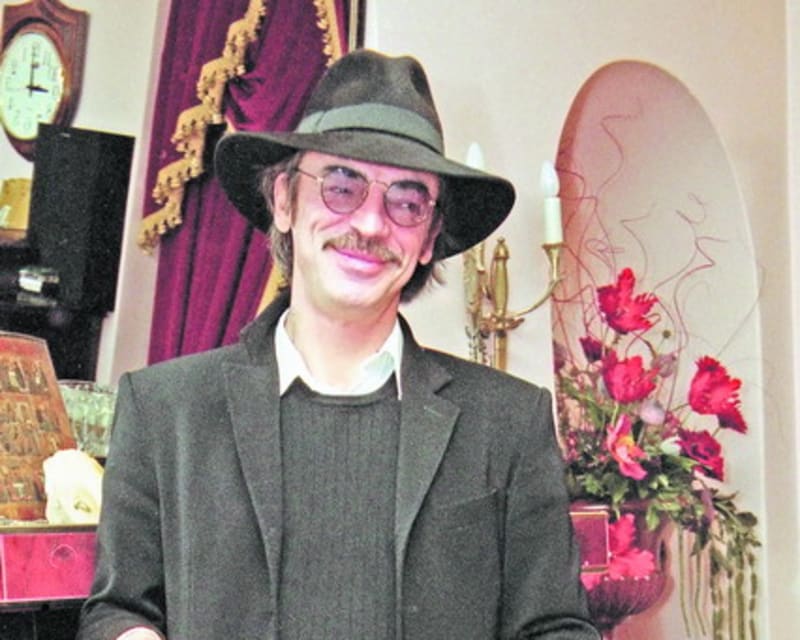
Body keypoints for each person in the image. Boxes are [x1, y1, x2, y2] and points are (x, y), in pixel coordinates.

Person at [78, 49, 600, 640]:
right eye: (341, 186)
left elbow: (556, 627)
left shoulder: (508, 421)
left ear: (430, 237)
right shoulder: (164, 410)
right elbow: (117, 608)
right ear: (283, 200)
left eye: (407, 202)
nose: (372, 225)